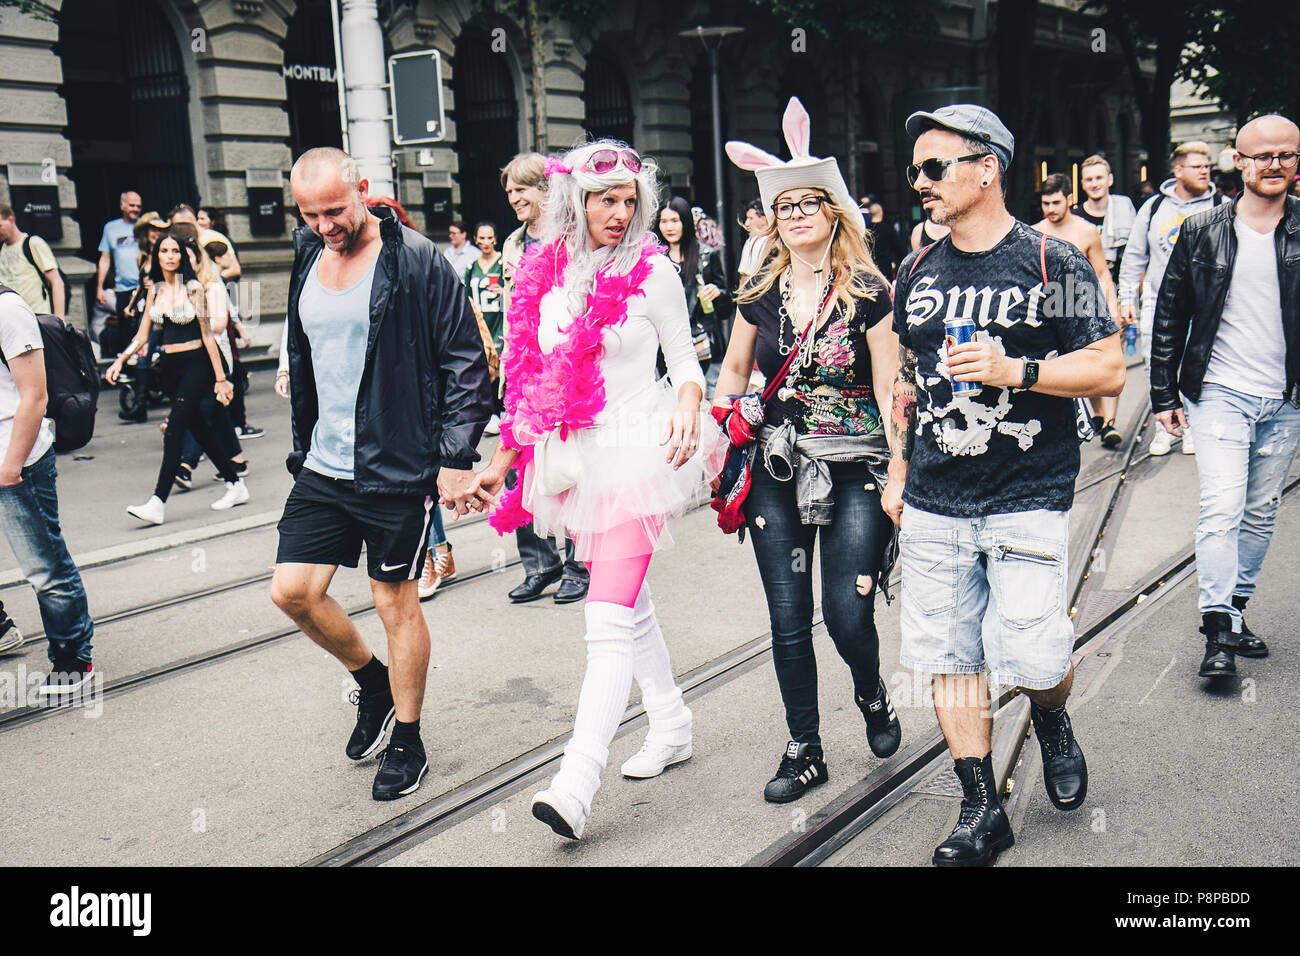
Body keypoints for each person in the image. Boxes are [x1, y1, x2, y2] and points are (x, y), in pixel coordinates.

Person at [888, 104, 1124, 867]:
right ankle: (981, 808)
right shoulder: (915, 271)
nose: (917, 181)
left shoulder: (1054, 263)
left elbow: (1108, 367)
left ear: (986, 168)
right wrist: (897, 470)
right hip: (934, 498)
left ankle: (1051, 717)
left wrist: (1016, 370)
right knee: (951, 656)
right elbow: (907, 385)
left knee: (1034, 656)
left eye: (934, 167)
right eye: (915, 168)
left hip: (1028, 492)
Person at [471, 140, 726, 839]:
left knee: (605, 617)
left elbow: (685, 359)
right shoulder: (547, 275)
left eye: (628, 201)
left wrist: (687, 402)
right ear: (574, 202)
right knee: (631, 602)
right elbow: (534, 384)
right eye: (604, 200)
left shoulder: (656, 274)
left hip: (641, 452)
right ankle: (670, 719)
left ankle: (577, 780)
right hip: (580, 460)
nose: (619, 213)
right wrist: (500, 465)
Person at [269, 147, 493, 802]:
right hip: (324, 462)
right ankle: (372, 683)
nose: (323, 225)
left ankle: (410, 740)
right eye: (310, 214)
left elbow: (467, 363)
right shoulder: (308, 252)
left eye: (334, 210)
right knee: (291, 592)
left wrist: (453, 458)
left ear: (364, 190)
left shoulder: (418, 260)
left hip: (397, 464)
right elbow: (304, 339)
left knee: (395, 600)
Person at [719, 96, 904, 803]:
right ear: (773, 218)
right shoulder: (758, 290)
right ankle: (805, 748)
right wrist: (727, 413)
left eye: (810, 203)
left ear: (834, 212)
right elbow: (736, 369)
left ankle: (871, 690)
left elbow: (890, 384)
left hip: (856, 461)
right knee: (788, 617)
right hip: (778, 461)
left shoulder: (868, 291)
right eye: (784, 205)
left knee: (847, 612)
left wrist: (901, 471)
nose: (796, 214)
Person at [1149, 115, 1300, 682]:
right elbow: (1170, 314)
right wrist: (1163, 392)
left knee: (1261, 513)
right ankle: (1217, 633)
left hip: (1286, 400)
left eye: (1286, 155)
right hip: (1219, 393)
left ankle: (1234, 613)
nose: (1275, 165)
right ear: (1237, 161)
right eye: (1262, 155)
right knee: (1221, 507)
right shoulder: (1202, 229)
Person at [105, 232, 249, 523]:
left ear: (182, 256)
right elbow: (142, 335)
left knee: (174, 431)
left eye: (175, 251)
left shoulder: (194, 287)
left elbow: (208, 335)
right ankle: (236, 484)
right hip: (169, 368)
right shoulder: (155, 289)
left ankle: (158, 501)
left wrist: (221, 378)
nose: (170, 256)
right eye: (164, 251)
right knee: (200, 429)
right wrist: (120, 359)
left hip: (198, 364)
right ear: (156, 255)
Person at [497, 151, 589, 606]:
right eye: (510, 190)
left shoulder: (572, 237)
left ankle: (578, 563)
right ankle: (540, 563)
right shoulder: (512, 246)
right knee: (522, 466)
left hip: (564, 367)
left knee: (569, 467)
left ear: (547, 189)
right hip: (521, 366)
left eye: (522, 188)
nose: (514, 197)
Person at [0, 285, 95, 694]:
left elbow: (35, 396)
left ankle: (72, 655)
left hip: (15, 459)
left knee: (44, 565)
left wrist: (10, 468)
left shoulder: (6, 308)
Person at [1119, 141, 1228, 456]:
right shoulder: (1154, 207)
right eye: (1197, 166)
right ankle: (1164, 428)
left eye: (1207, 165)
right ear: (1178, 171)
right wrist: (1127, 298)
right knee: (1158, 364)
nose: (1205, 170)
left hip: (1206, 303)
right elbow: (1135, 257)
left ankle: (1192, 426)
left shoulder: (1221, 205)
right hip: (1159, 301)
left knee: (1200, 364)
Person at [1035, 173, 1122, 446]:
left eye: (1056, 202)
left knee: (1103, 360)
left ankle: (1108, 422)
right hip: (1053, 305)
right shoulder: (1036, 231)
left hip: (1087, 302)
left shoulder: (1085, 230)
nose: (1051, 209)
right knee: (1076, 366)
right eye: (1046, 203)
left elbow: (1102, 273)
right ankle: (1095, 416)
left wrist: (1113, 308)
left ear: (1070, 200)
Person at [1076, 154, 1137, 445]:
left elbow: (1135, 257)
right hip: (1081, 295)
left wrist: (1129, 300)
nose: (1095, 184)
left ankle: (1110, 423)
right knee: (1085, 357)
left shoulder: (1125, 211)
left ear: (1109, 180)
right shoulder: (1076, 217)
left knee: (1113, 355)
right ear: (1082, 183)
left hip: (1116, 287)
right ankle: (1098, 413)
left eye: (1099, 178)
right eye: (1089, 179)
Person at [656, 196, 727, 373]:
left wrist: (718, 292)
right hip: (665, 342)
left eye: (674, 220)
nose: (669, 227)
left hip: (701, 343)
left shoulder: (706, 256)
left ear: (686, 221)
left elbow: (726, 310)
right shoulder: (654, 259)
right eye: (664, 221)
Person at [0, 204, 65, 320]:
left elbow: (57, 282)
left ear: (11, 220)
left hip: (38, 317)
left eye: (0, 226)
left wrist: (59, 320)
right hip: (12, 319)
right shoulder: (1, 249)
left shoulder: (33, 243)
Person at [95, 190, 142, 339]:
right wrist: (100, 287)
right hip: (122, 288)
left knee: (145, 328)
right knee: (126, 330)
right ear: (122, 206)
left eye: (138, 206)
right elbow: (105, 258)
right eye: (132, 205)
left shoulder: (146, 226)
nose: (135, 209)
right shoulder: (110, 228)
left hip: (144, 287)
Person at [866, 201, 905, 279]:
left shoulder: (865, 230)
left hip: (869, 268)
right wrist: (896, 263)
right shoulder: (888, 229)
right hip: (885, 268)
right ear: (881, 213)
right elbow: (899, 249)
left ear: (869, 215)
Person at [736, 198, 771, 281]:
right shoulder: (750, 241)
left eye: (751, 218)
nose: (746, 224)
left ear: (763, 220)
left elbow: (745, 276)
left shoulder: (753, 241)